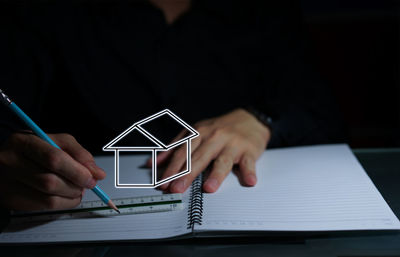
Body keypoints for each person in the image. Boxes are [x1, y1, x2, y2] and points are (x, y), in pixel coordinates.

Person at [0, 0, 345, 211]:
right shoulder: (42, 12)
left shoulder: (263, 9)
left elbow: (322, 109)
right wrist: (8, 158)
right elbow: (6, 124)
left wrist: (263, 120)